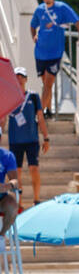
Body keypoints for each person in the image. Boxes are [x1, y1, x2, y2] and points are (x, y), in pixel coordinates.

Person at [30, 0, 79, 117]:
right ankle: (48, 110)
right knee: (45, 83)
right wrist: (34, 36)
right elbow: (32, 25)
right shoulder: (39, 10)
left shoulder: (61, 7)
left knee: (48, 83)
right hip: (40, 51)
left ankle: (38, 116)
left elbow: (77, 21)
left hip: (55, 52)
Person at [1, 67, 49, 208]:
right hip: (15, 141)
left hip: (31, 140)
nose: (19, 79)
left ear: (26, 79)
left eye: (22, 76)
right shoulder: (9, 97)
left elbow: (40, 117)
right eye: (16, 76)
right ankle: (19, 202)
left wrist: (46, 137)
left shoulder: (33, 96)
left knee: (34, 169)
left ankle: (36, 199)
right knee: (17, 172)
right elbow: (3, 119)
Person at [0, 144, 20, 236]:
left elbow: (15, 181)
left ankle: (1, 236)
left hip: (1, 198)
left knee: (12, 207)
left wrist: (7, 186)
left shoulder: (7, 155)